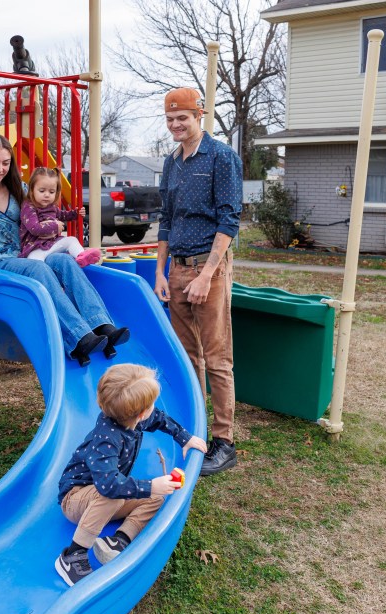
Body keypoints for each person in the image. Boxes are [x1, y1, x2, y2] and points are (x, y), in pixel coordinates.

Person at [0, 134, 129, 365]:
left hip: (34, 252)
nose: (0, 168)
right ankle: (78, 337)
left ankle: (102, 325)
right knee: (40, 270)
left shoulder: (21, 188)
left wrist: (56, 225)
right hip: (3, 262)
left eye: (6, 163)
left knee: (66, 261)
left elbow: (47, 210)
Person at [153, 87, 242, 477]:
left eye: (182, 118)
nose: (175, 125)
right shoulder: (172, 163)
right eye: (170, 119)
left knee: (218, 359)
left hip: (210, 268)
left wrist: (207, 274)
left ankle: (224, 442)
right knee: (188, 358)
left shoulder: (221, 157)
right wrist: (160, 271)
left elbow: (229, 219)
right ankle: (198, 429)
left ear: (199, 116)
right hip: (177, 269)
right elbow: (166, 219)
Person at [54, 363, 208, 586]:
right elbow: (108, 486)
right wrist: (150, 485)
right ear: (141, 412)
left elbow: (160, 418)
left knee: (155, 498)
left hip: (107, 494)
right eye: (151, 405)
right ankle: (72, 555)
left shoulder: (134, 417)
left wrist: (185, 438)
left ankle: (118, 540)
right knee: (117, 494)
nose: (153, 410)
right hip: (76, 500)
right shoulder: (107, 438)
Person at [20, 166, 101, 267]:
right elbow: (34, 228)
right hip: (35, 248)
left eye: (51, 192)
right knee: (36, 263)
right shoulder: (29, 207)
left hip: (52, 244)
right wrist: (55, 226)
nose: (47, 195)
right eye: (42, 191)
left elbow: (62, 215)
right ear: (32, 190)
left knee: (71, 240)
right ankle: (41, 278)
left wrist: (76, 213)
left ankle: (82, 257)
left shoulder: (51, 206)